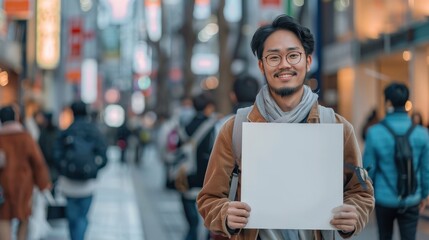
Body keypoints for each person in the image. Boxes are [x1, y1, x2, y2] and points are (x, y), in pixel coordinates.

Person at [197, 14, 374, 239]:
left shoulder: (337, 127)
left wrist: (354, 214)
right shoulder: (236, 129)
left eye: (293, 55)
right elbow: (208, 198)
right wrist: (224, 214)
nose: (284, 65)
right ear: (261, 65)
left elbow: (361, 192)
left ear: (308, 61)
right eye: (273, 57)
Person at [363, 83, 429, 240]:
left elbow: (368, 169)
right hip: (412, 197)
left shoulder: (374, 132)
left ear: (387, 102)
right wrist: (425, 195)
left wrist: (368, 196)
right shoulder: (422, 133)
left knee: (384, 236)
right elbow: (426, 169)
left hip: (383, 198)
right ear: (407, 102)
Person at [54, 100, 108, 240]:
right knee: (82, 217)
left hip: (68, 182)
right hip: (88, 183)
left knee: (72, 218)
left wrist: (63, 169)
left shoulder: (67, 131)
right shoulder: (94, 131)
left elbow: (56, 154)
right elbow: (104, 156)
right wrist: (94, 169)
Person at [0, 105, 51, 240]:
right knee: (24, 215)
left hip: (3, 185)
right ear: (16, 118)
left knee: (4, 217)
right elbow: (38, 162)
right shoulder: (25, 137)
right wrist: (43, 184)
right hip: (24, 184)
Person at [178, 91, 217, 240]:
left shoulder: (185, 125)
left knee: (192, 224)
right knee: (208, 224)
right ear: (208, 107)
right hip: (207, 179)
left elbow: (177, 148)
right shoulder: (214, 126)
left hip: (186, 178)